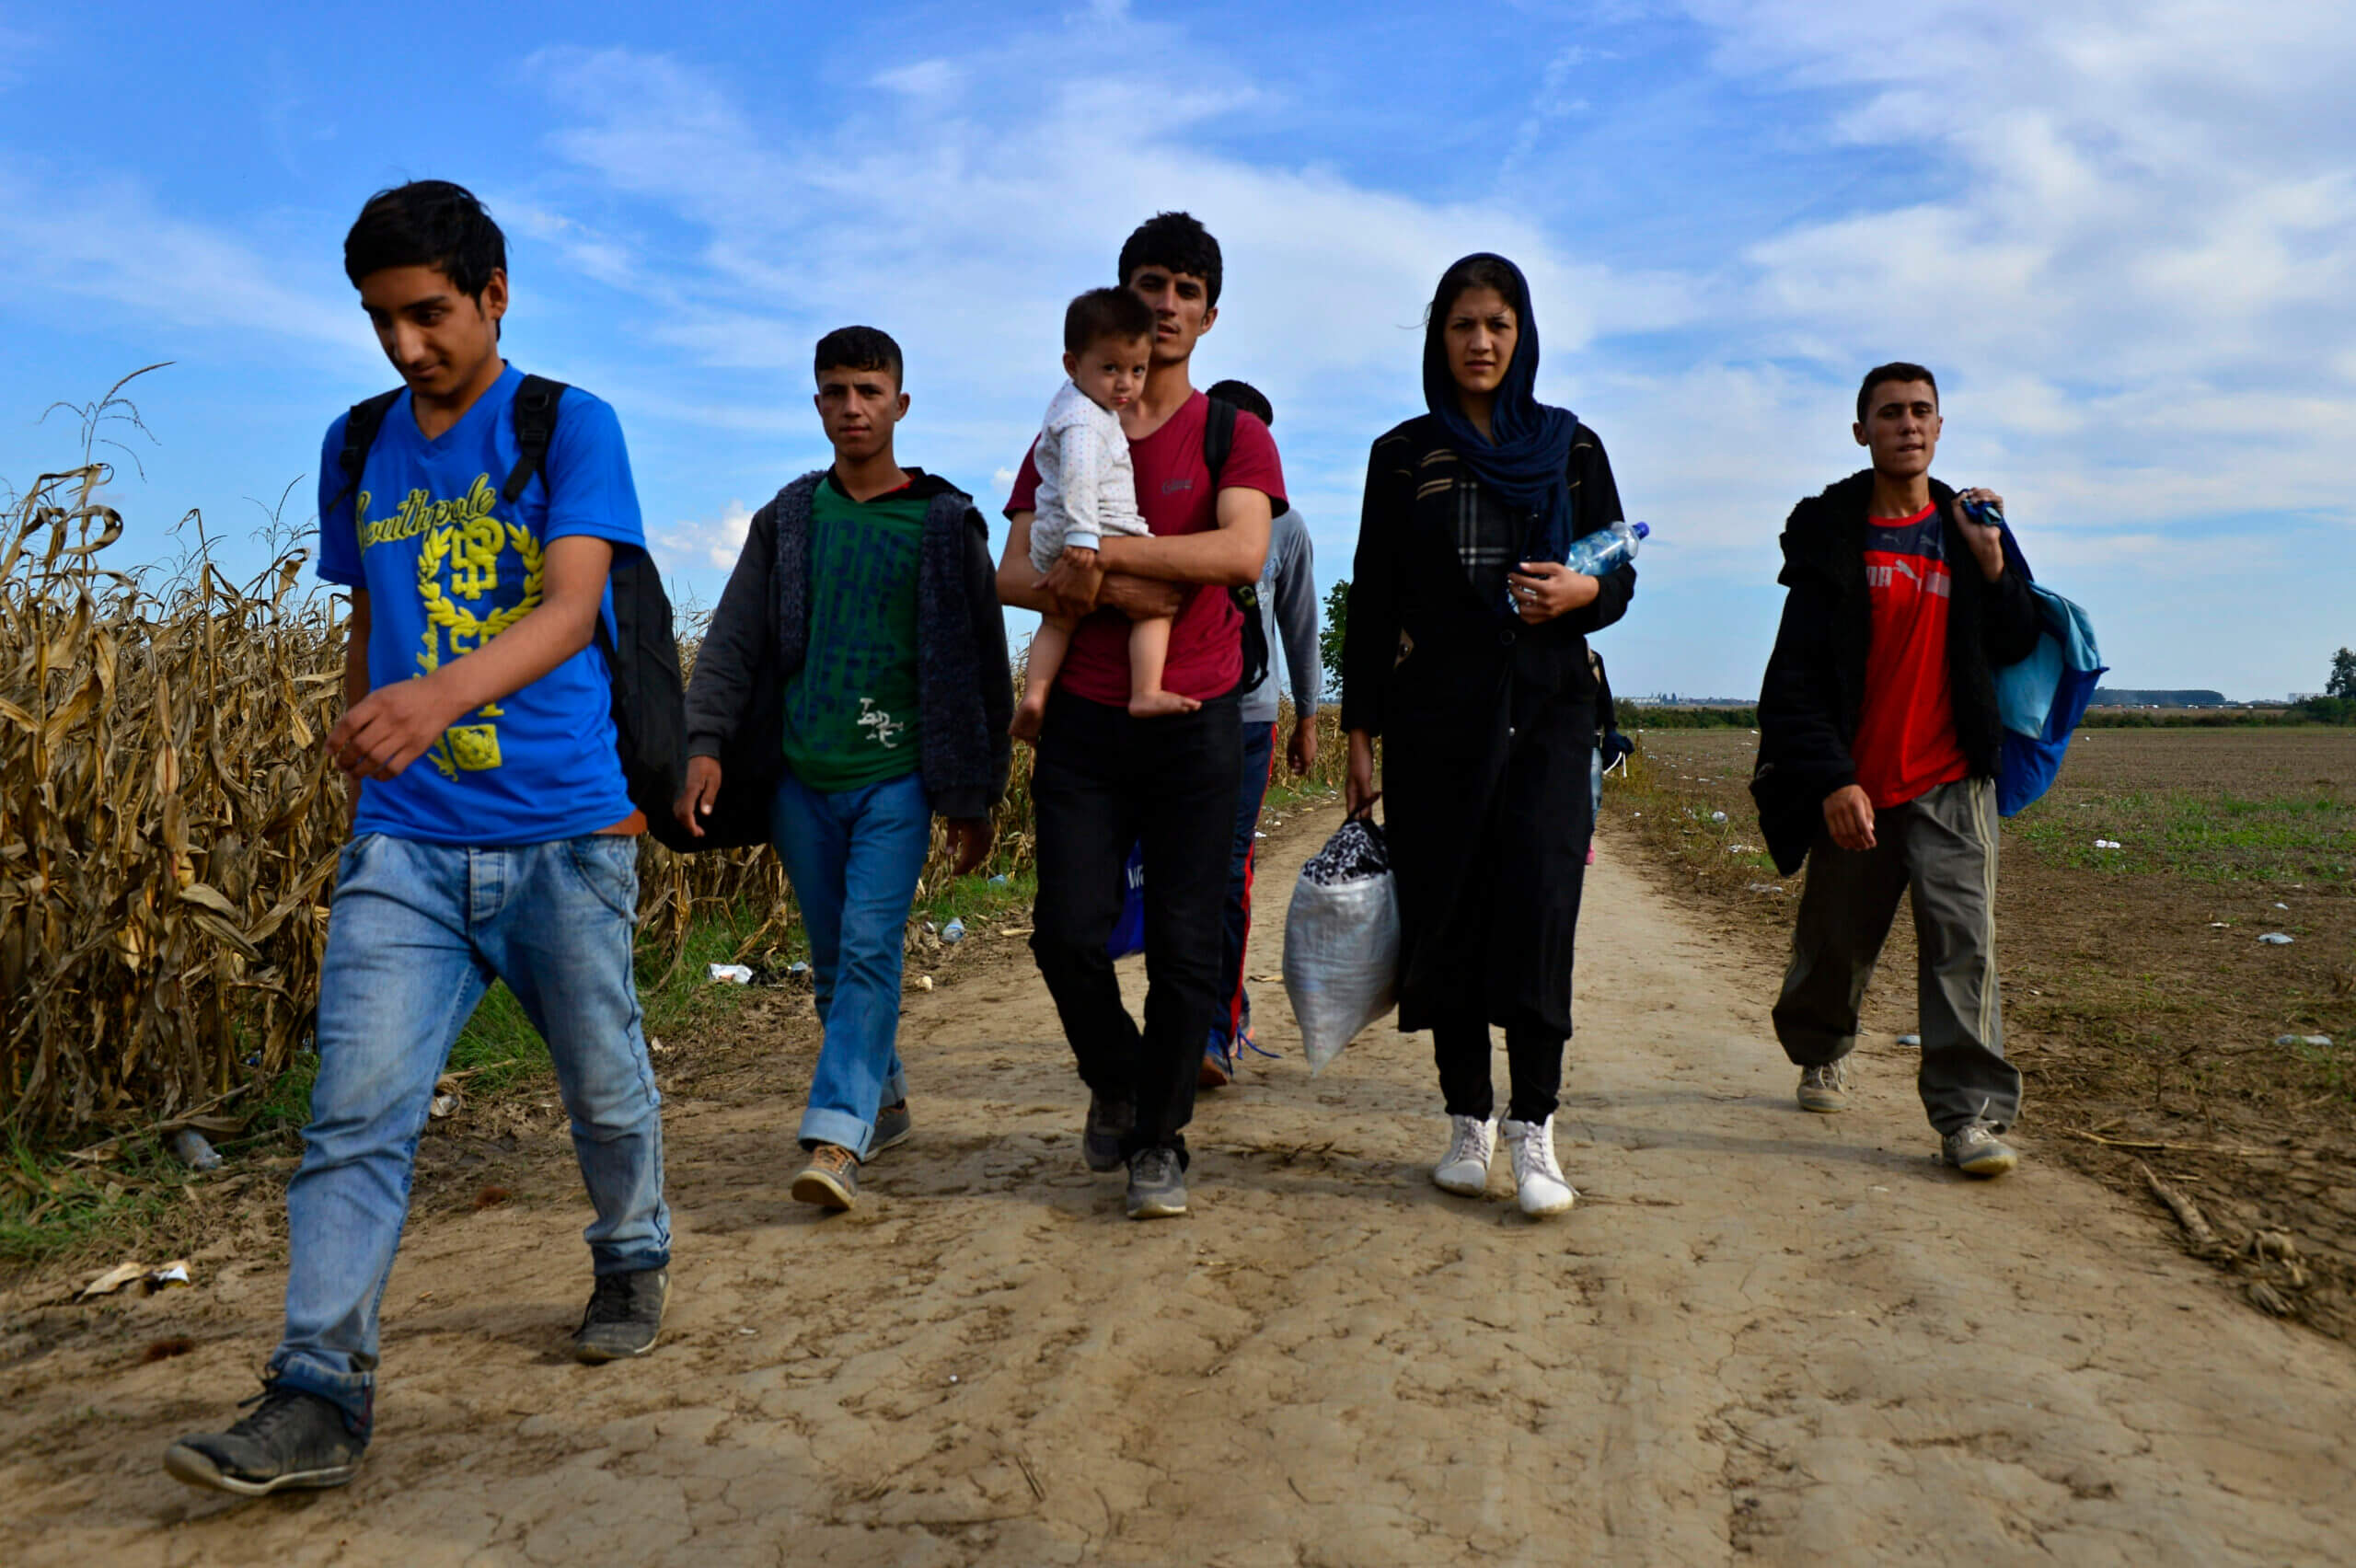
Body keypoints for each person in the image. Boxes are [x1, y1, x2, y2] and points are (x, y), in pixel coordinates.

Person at [166, 180, 672, 1497]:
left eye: (429, 315)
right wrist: (364, 757)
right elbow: (366, 624)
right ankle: (317, 1396)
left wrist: (440, 696)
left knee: (604, 1086)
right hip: (404, 846)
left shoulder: (570, 423)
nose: (405, 347)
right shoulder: (358, 445)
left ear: (495, 294)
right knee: (354, 1122)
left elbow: (572, 609)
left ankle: (631, 1251)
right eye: (381, 321)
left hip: (566, 835)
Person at [676, 327, 1011, 1211]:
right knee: (832, 962)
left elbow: (983, 665)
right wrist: (703, 744)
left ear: (901, 403)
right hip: (800, 780)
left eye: (869, 390)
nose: (852, 407)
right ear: (817, 404)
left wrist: (975, 798)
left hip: (897, 776)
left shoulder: (944, 522)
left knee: (869, 948)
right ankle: (886, 1099)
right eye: (835, 391)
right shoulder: (789, 519)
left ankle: (837, 1135)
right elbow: (734, 641)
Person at [998, 212, 1281, 1220]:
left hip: (1196, 716)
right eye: (1150, 282)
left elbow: (1239, 557)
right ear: (1122, 296)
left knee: (1185, 943)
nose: (1165, 304)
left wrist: (1102, 561)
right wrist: (1126, 582)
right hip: (1084, 721)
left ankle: (1159, 1137)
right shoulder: (1064, 427)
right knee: (1064, 933)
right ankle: (1117, 1081)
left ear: (1208, 316)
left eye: (1186, 289)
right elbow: (1013, 571)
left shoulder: (1228, 435)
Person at [1341, 252, 1634, 1218]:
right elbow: (1373, 603)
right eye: (1463, 325)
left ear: (1523, 337)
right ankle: (1467, 1118)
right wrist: (1358, 731)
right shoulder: (1401, 454)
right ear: (1439, 337)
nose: (1480, 343)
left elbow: (1618, 573)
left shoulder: (1571, 447)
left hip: (1548, 712)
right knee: (1449, 910)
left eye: (1497, 325)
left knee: (1541, 909)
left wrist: (1582, 592)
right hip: (1435, 721)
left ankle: (1534, 1129)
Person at [1751, 363, 2041, 1177]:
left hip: (1954, 781)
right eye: (1889, 413)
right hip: (1859, 786)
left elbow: (2017, 640)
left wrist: (1992, 563)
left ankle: (1969, 1118)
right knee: (1836, 945)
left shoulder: (1971, 528)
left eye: (1922, 412)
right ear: (1862, 432)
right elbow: (1796, 679)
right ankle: (1821, 1046)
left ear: (1940, 427)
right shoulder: (1830, 539)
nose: (1907, 425)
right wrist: (1834, 780)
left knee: (1962, 948)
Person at [1197, 378, 1320, 1087]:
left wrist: (1308, 716)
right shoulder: (1173, 507)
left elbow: (1299, 626)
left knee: (1226, 869)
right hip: (1178, 713)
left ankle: (1216, 1030)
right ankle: (1204, 1009)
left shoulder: (1287, 526)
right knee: (1179, 871)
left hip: (1248, 721)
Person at [1014, 288, 1192, 740]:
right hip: (1096, 526)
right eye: (1110, 368)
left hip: (1054, 533)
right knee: (1156, 603)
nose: (1125, 384)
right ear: (1072, 365)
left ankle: (1035, 693)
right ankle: (1146, 689)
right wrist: (1084, 538)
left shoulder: (1070, 403)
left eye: (1137, 370)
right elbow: (1078, 476)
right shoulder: (1085, 420)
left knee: (1058, 619)